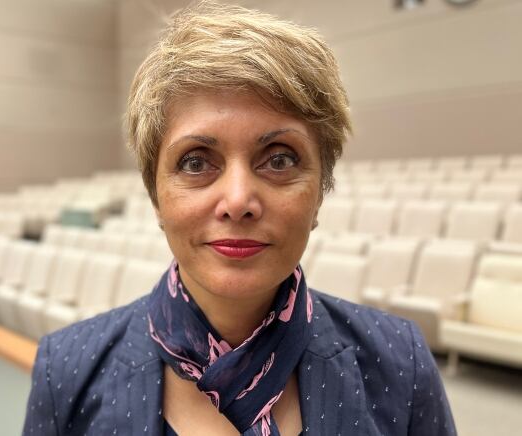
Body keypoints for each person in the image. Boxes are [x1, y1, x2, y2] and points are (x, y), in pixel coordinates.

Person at [23, 3, 455, 435]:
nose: (238, 200)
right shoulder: (66, 370)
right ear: (155, 197)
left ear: (320, 191)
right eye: (196, 162)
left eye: (280, 159)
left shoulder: (401, 363)